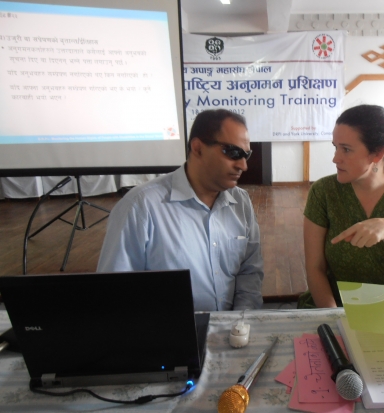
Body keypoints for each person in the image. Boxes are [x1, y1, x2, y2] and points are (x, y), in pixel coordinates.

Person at [97, 109, 263, 312]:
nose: (243, 165)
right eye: (233, 153)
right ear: (198, 147)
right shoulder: (140, 207)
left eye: (246, 155)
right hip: (167, 337)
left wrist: (241, 321)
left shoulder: (241, 202)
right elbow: (116, 291)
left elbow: (249, 272)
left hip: (233, 333)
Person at [299, 104, 384, 309]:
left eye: (346, 149)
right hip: (332, 305)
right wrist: (334, 318)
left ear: (377, 153)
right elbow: (315, 269)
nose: (335, 158)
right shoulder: (324, 191)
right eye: (335, 147)